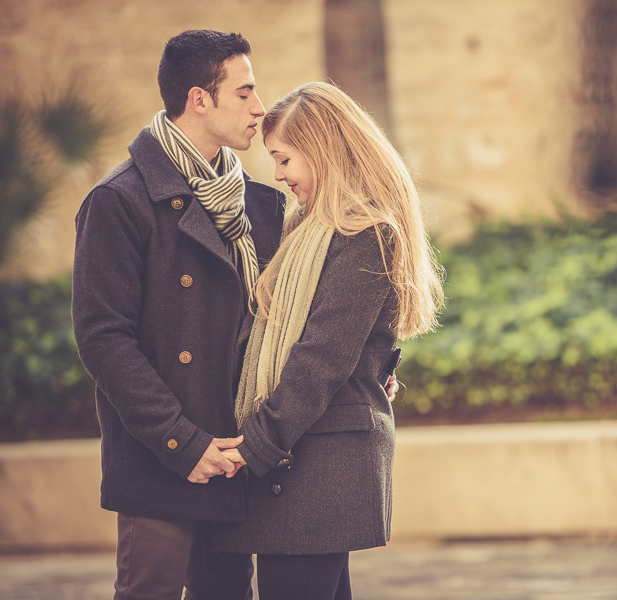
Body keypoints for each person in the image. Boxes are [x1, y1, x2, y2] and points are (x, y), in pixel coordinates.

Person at [72, 31, 397, 599]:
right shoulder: (121, 201)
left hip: (237, 458)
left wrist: (366, 370)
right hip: (164, 457)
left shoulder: (261, 204)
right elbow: (103, 338)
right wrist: (180, 440)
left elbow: (300, 324)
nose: (259, 106)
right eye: (245, 92)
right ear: (201, 99)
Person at [212, 81, 444, 600]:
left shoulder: (363, 233)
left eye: (285, 158)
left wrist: (256, 444)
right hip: (306, 458)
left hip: (319, 465)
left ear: (322, 151)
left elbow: (321, 359)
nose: (278, 175)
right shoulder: (308, 229)